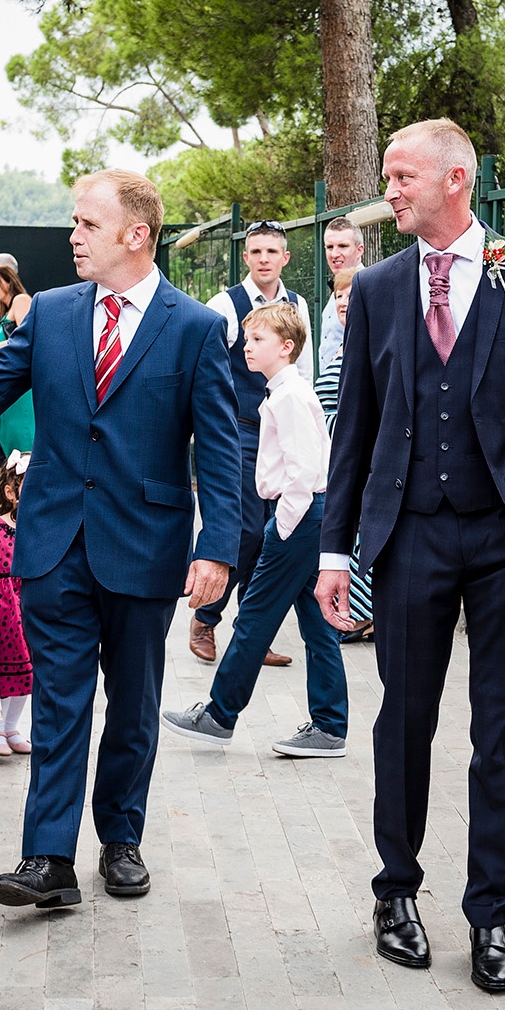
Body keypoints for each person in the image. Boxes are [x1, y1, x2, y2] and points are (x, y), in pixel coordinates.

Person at [0, 169, 239, 910]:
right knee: (60, 704)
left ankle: (122, 840)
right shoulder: (50, 312)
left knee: (133, 705)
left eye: (87, 224)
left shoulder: (196, 328)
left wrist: (219, 546)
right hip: (53, 544)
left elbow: (221, 446)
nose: (73, 236)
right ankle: (48, 858)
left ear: (136, 235)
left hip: (145, 546)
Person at [316, 118, 505, 994]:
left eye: (403, 176)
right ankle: (395, 894)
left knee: (498, 728)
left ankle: (491, 915)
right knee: (404, 721)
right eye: (388, 176)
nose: (389, 191)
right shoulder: (377, 288)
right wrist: (335, 551)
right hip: (410, 535)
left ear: (456, 179)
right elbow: (355, 427)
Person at [160, 301, 346, 756]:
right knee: (317, 623)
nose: (247, 346)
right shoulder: (282, 393)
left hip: (297, 516)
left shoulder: (289, 396)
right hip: (305, 515)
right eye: (247, 338)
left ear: (286, 347)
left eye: (258, 339)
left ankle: (220, 714)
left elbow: (304, 472)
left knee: (255, 616)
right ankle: (330, 726)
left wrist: (280, 527)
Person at [192, 219, 308, 667]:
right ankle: (205, 617)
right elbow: (206, 365)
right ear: (245, 257)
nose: (264, 259)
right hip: (237, 429)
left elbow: (303, 371)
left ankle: (252, 635)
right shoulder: (225, 304)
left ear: (285, 258)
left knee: (269, 534)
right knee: (245, 530)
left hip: (280, 432)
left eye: (271, 252)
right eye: (256, 251)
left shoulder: (297, 305)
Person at [315, 268, 373, 641]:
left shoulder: (367, 345)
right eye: (338, 295)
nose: (343, 302)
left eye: (350, 295)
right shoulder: (337, 347)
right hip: (335, 458)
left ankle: (364, 614)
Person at [0, 452, 33, 757]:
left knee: (28, 669)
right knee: (2, 669)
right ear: (10, 492)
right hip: (1, 609)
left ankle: (11, 727)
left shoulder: (40, 527)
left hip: (29, 604)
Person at [0, 263, 35, 455]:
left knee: (23, 444)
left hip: (21, 390)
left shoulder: (21, 300)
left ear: (9, 281)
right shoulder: (6, 308)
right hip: (9, 387)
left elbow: (28, 338)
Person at [318, 216, 365, 363]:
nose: (334, 254)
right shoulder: (337, 288)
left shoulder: (369, 289)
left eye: (343, 246)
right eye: (329, 247)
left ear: (359, 250)